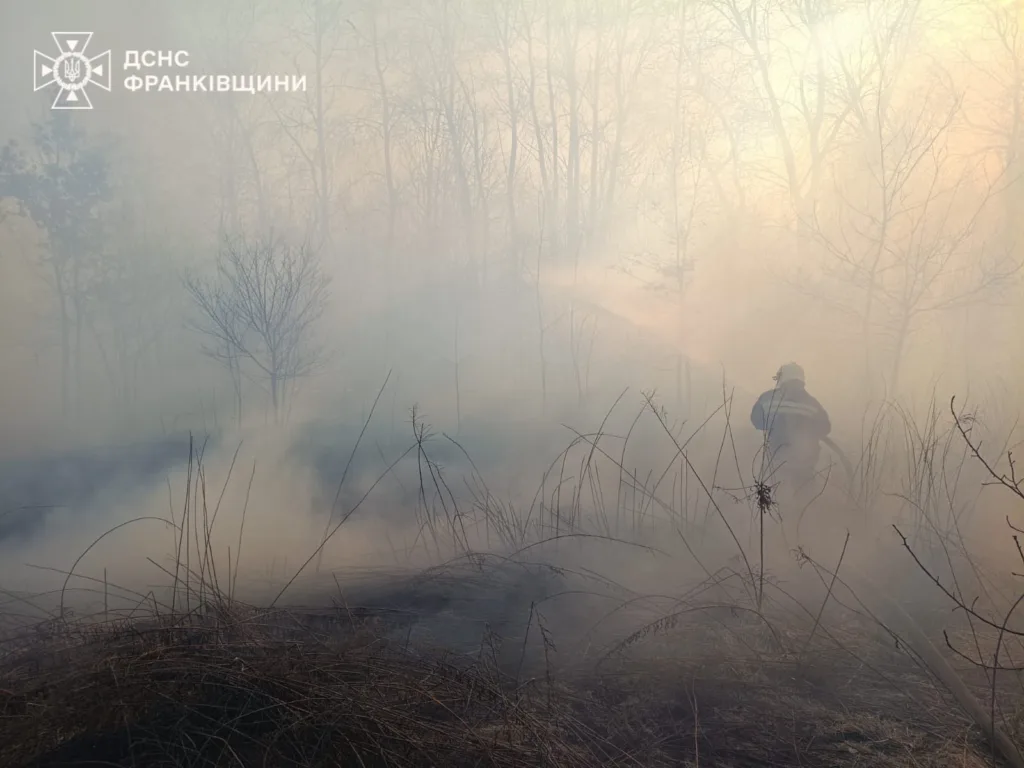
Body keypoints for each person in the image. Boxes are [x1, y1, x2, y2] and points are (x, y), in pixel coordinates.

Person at [750, 362, 832, 492]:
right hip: (805, 463)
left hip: (775, 462)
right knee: (805, 499)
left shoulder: (767, 398)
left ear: (781, 378)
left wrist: (775, 424)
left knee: (774, 498)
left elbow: (757, 421)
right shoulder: (811, 402)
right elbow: (825, 428)